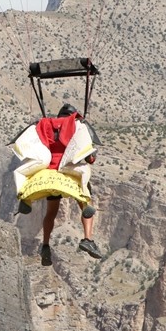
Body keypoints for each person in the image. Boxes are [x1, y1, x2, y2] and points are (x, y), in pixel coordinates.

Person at [13, 103, 102, 265]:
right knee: (85, 202)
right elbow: (90, 159)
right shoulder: (77, 127)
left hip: (48, 174)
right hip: (68, 173)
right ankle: (88, 239)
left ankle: (45, 244)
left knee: (51, 212)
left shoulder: (45, 126)